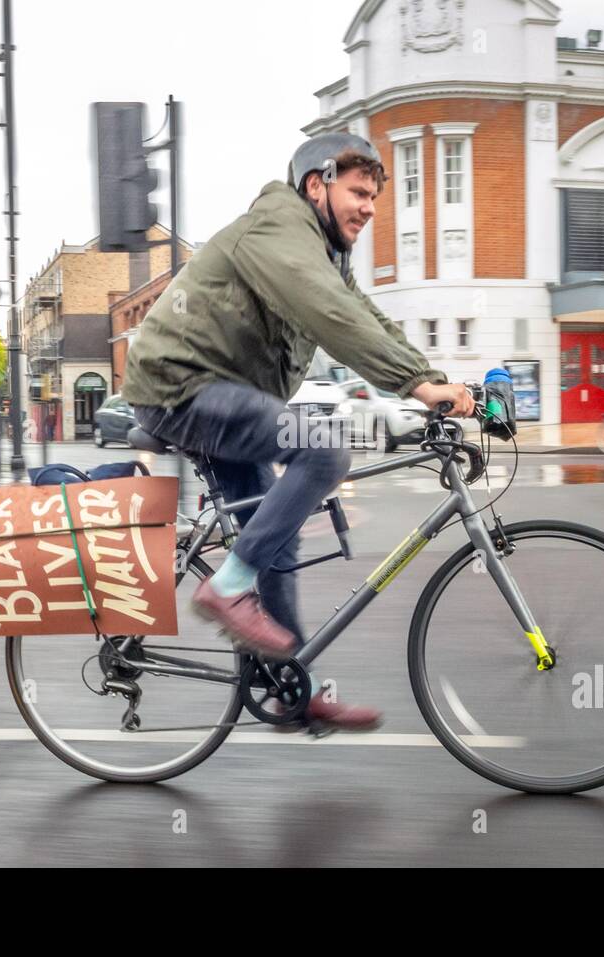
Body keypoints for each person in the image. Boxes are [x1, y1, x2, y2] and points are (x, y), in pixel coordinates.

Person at [122, 132, 475, 731]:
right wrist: (415, 384)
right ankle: (227, 589)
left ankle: (292, 691)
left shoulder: (324, 252)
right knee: (325, 448)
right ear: (317, 185)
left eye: (374, 196)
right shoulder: (280, 229)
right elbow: (329, 314)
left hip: (227, 397)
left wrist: (441, 382)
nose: (368, 206)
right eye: (358, 191)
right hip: (181, 389)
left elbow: (365, 315)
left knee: (277, 541)